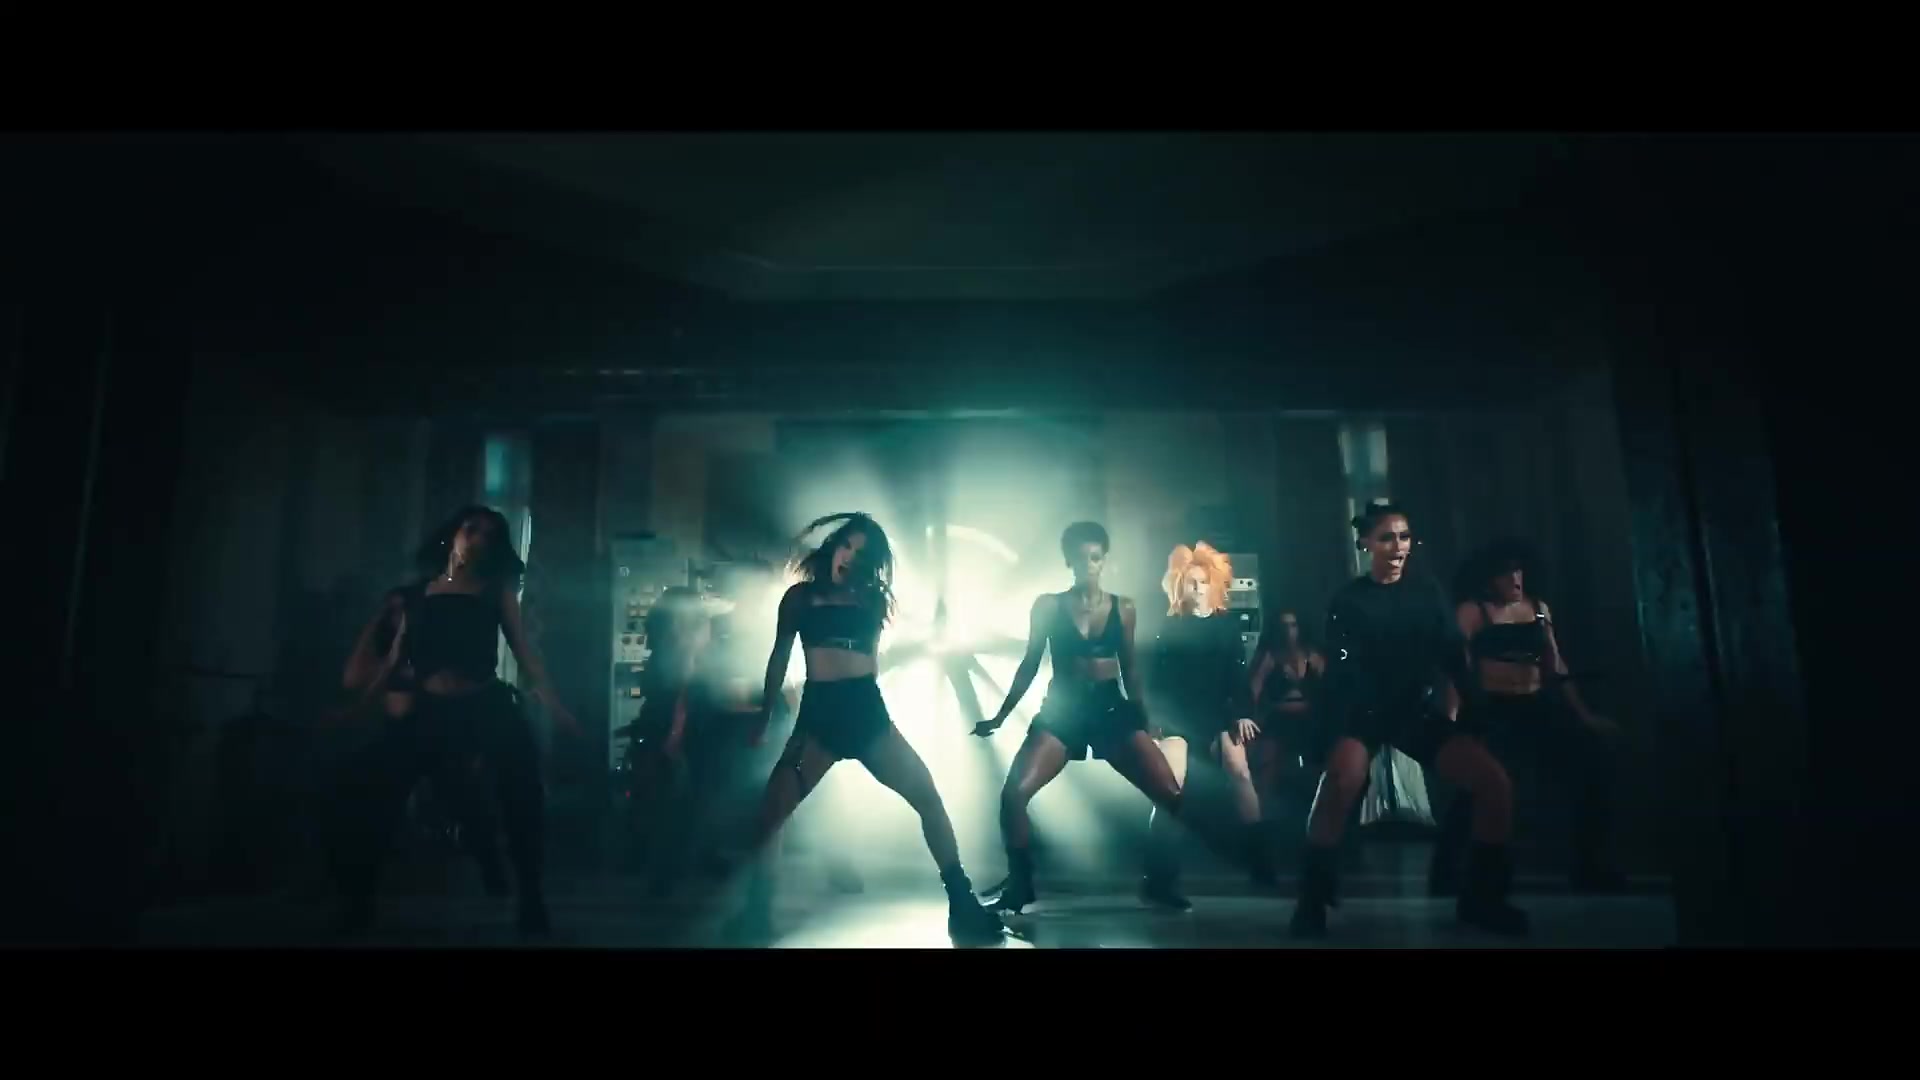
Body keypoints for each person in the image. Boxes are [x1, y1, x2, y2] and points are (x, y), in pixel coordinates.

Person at [727, 513, 1004, 945]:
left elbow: (874, 660)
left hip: (866, 714)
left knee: (928, 797)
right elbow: (778, 658)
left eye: (861, 554)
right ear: (833, 547)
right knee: (770, 816)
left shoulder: (871, 600)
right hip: (819, 718)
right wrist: (764, 717)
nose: (849, 558)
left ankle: (962, 901)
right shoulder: (800, 598)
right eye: (846, 547)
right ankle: (757, 913)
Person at [329, 506, 577, 938]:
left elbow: (524, 652)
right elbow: (393, 661)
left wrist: (555, 705)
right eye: (472, 529)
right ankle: (358, 902)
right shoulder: (414, 596)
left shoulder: (494, 592)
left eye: (489, 535)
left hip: (484, 705)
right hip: (430, 710)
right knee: (375, 795)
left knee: (521, 791)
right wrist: (358, 708)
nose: (478, 539)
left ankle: (530, 896)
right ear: (454, 535)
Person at [1288, 501, 1528, 938]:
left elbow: (1453, 654)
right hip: (1362, 711)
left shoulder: (1426, 592)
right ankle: (1312, 899)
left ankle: (1483, 899)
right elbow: (1341, 672)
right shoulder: (1349, 600)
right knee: (1340, 781)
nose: (1398, 547)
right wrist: (1332, 734)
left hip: (1411, 711)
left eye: (1403, 537)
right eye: (1386, 538)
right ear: (1366, 544)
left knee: (1494, 783)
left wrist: (1473, 708)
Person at [973, 522, 1197, 914]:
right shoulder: (1048, 606)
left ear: (1104, 560)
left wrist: (1144, 720)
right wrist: (1000, 716)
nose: (1088, 565)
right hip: (1063, 711)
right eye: (1080, 558)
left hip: (1110, 709)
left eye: (1095, 558)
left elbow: (1130, 668)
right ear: (1068, 561)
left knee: (1172, 797)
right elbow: (1029, 664)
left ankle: (1159, 883)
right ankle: (1021, 885)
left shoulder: (1124, 607)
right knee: (1013, 796)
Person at [1429, 540, 1626, 895]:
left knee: (1591, 765)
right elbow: (1457, 669)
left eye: (1518, 571)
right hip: (1492, 709)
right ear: (1488, 580)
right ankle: (1448, 873)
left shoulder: (1537, 609)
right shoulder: (1472, 612)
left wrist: (1584, 716)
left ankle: (1591, 868)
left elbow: (1556, 665)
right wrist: (1452, 721)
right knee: (1480, 784)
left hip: (1535, 706)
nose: (1515, 579)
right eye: (1505, 574)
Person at [1146, 542, 1274, 909]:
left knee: (1240, 772)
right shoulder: (1170, 626)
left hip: (1217, 712)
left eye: (1203, 582)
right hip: (1178, 717)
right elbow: (1155, 680)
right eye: (1191, 583)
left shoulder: (1226, 625)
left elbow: (1237, 677)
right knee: (1170, 787)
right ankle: (1159, 878)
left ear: (1214, 585)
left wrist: (1243, 713)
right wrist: (1154, 720)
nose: (1198, 589)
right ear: (1180, 586)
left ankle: (1261, 865)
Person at [1242, 608, 1326, 842]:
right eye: (1284, 626)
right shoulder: (1270, 656)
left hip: (1310, 720)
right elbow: (1253, 690)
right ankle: (1263, 828)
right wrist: (1251, 716)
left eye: (1293, 625)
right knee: (1268, 764)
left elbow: (1328, 688)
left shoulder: (1312, 655)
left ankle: (1316, 826)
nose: (1289, 631)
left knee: (1321, 767)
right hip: (1278, 719)